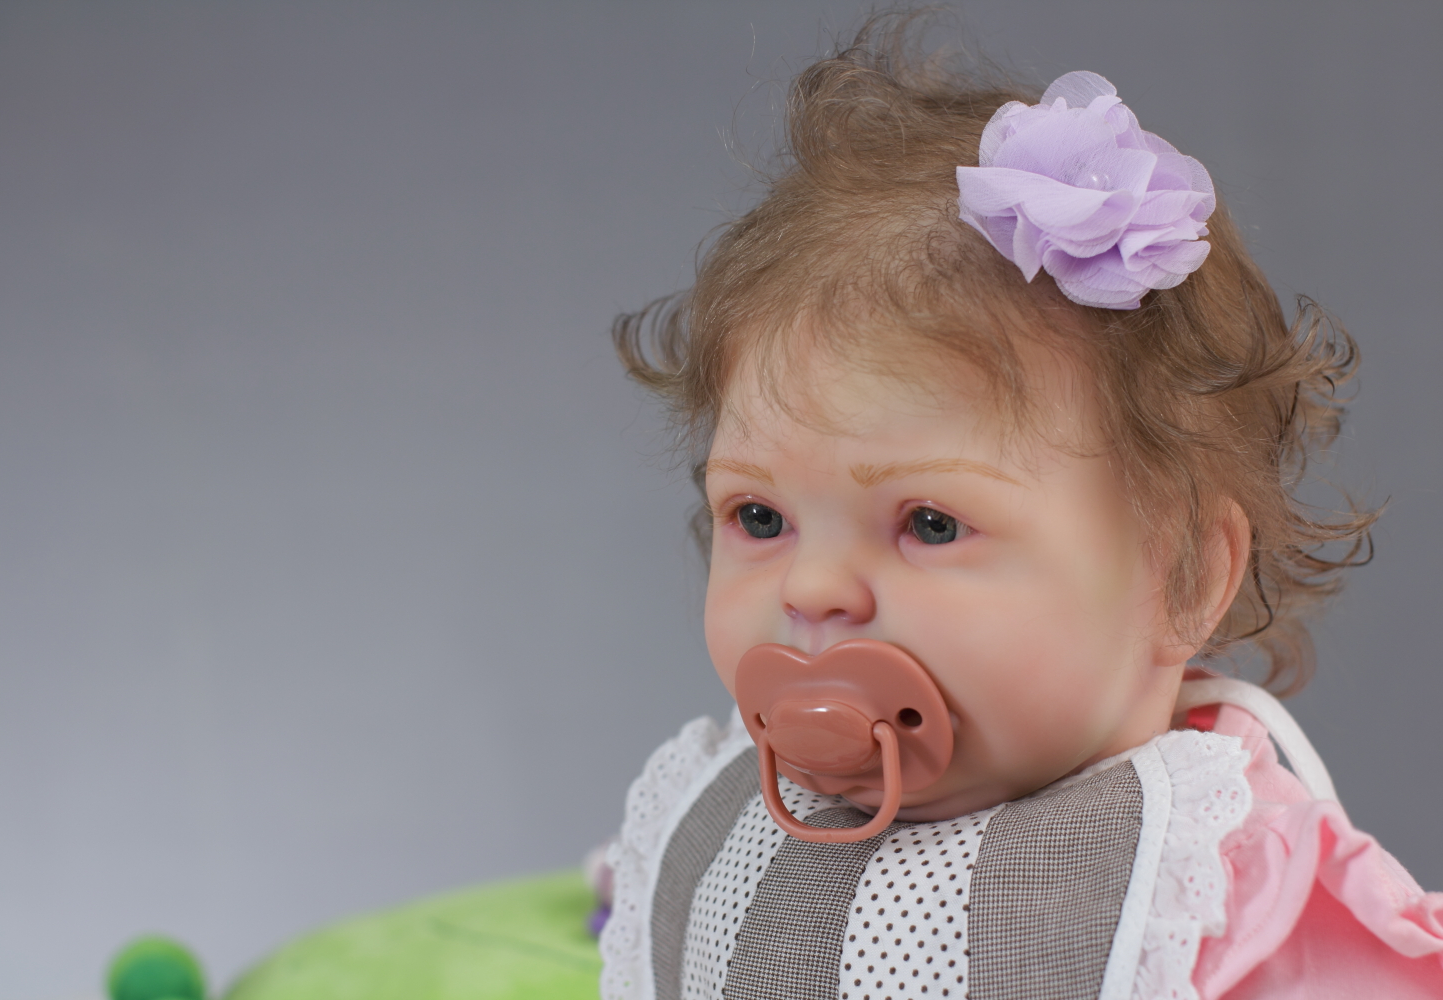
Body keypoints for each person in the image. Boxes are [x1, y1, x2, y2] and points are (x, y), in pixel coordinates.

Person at [594, 14, 1443, 1000]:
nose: (811, 586)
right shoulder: (721, 820)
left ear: (1183, 577)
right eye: (760, 518)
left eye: (931, 524)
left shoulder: (1213, 891)